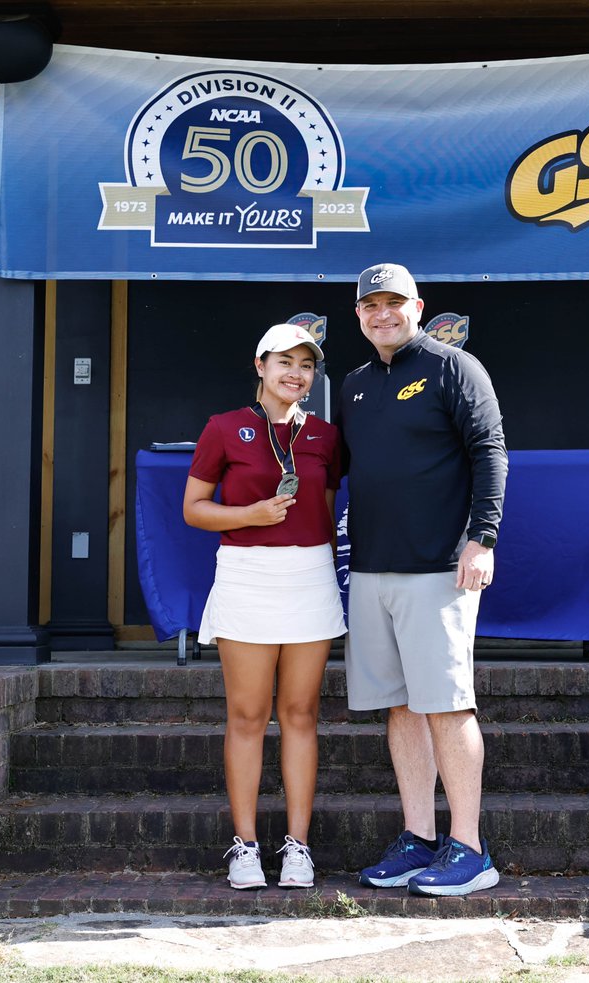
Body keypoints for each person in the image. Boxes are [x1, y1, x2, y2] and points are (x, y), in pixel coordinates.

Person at [337, 263, 508, 897]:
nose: (382, 314)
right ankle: (419, 838)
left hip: (439, 567)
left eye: (394, 303)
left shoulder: (453, 367)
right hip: (372, 568)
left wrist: (482, 538)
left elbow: (490, 451)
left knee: (446, 703)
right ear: (358, 315)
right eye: (370, 305)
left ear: (418, 305)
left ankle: (469, 847)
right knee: (401, 707)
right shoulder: (353, 384)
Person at [183, 322, 347, 891]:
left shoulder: (325, 434)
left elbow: (323, 511)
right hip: (247, 576)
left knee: (301, 714)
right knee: (249, 715)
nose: (295, 374)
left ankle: (298, 846)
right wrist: (247, 517)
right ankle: (245, 845)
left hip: (308, 576)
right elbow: (195, 509)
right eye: (285, 362)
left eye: (306, 365)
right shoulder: (224, 428)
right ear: (260, 365)